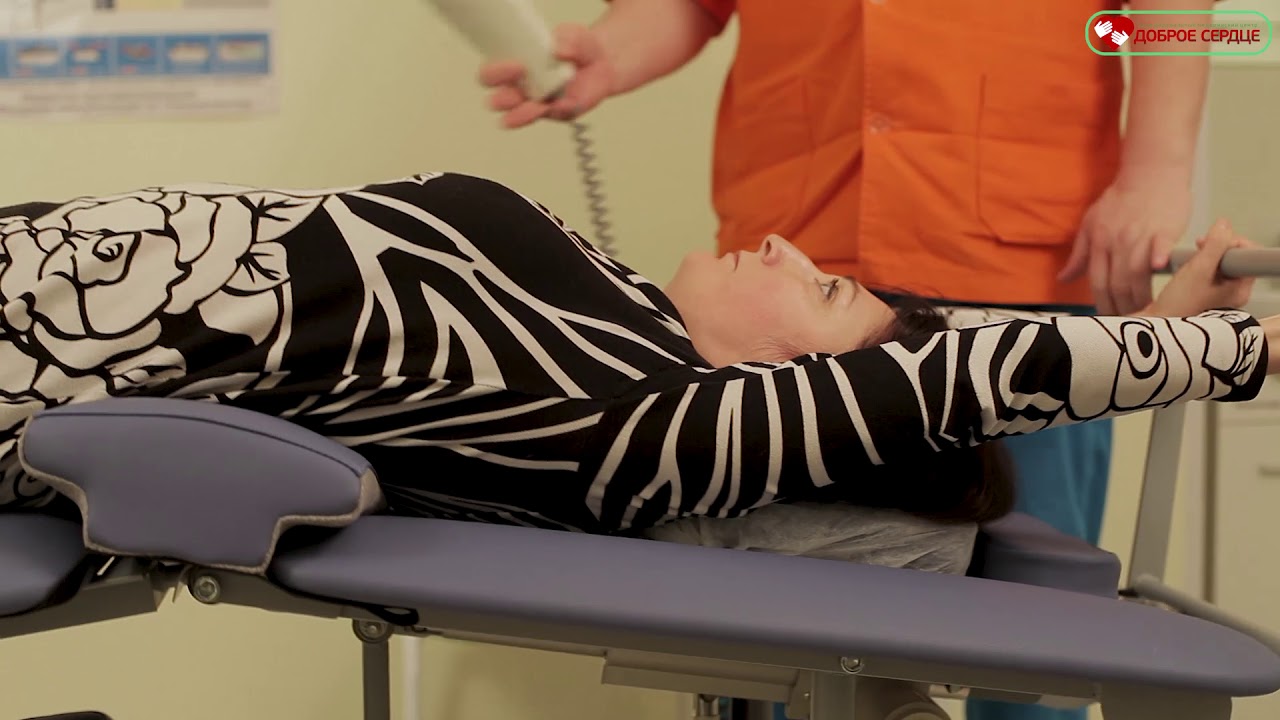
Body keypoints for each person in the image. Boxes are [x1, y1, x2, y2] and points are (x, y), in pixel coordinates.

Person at [478, 4, 1210, 716]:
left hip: (1012, 255)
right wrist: (612, 52)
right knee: (758, 631)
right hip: (804, 236)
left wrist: (1157, 167)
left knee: (1035, 626)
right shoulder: (758, 287)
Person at [0, 170, 1265, 530]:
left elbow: (936, 378)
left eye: (819, 289)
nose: (783, 247)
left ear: (797, 400)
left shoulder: (630, 425)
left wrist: (1233, 353)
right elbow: (936, 348)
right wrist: (1155, 331)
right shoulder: (619, 327)